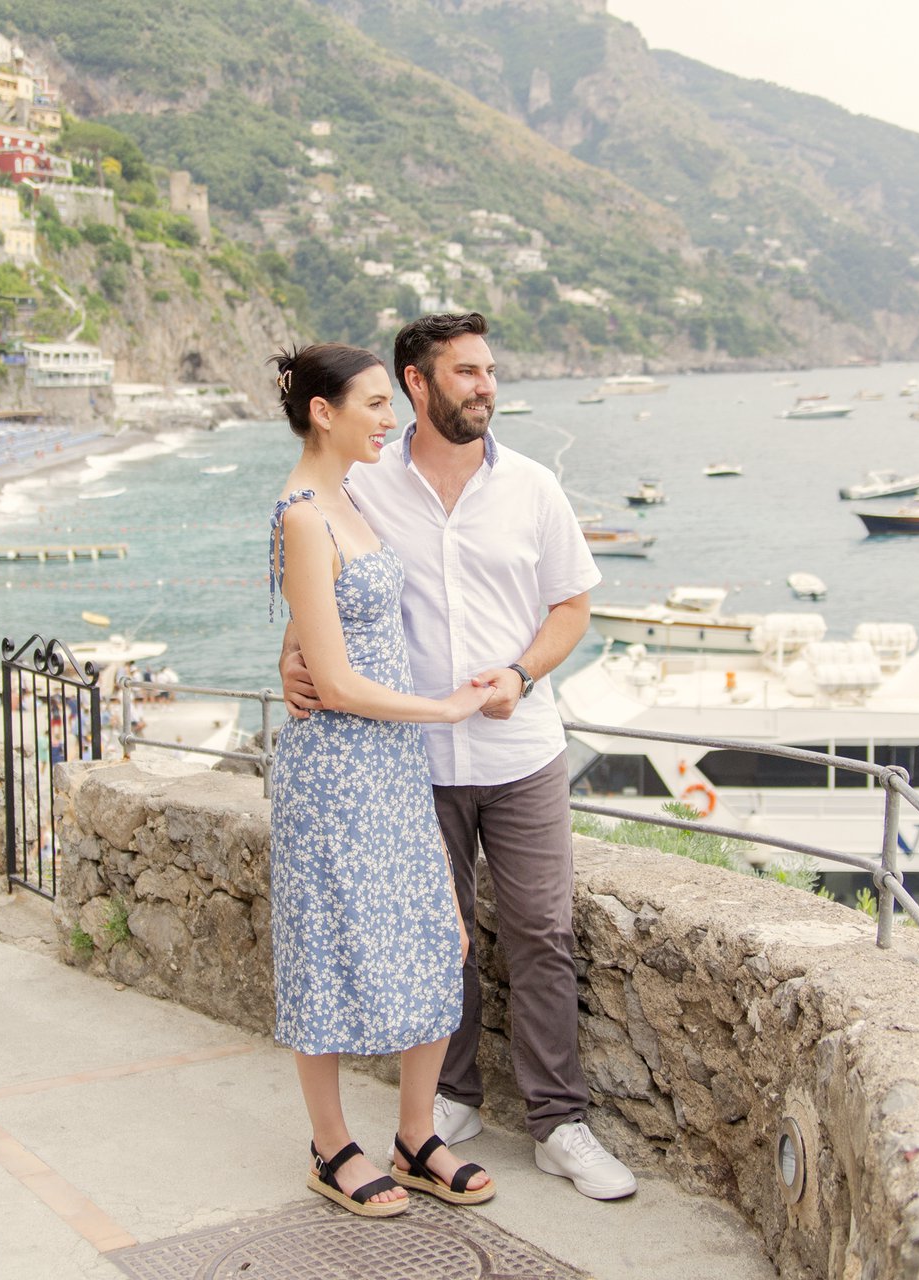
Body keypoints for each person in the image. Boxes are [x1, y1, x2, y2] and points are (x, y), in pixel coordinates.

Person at [283, 313, 635, 1200]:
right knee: (444, 943)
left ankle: (560, 1124)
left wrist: (520, 671)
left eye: (489, 371)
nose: (485, 385)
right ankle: (448, 1106)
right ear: (416, 383)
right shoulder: (365, 484)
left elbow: (573, 610)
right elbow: (320, 587)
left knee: (542, 933)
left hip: (520, 748)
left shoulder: (535, 487)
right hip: (409, 761)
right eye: (467, 371)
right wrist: (292, 657)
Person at [268, 341, 497, 1219]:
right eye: (373, 404)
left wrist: (286, 652)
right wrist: (442, 709)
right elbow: (333, 679)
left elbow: (307, 636)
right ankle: (331, 1147)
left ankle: (413, 1137)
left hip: (391, 766)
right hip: (335, 770)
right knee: (326, 948)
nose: (389, 418)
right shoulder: (301, 512)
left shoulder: (350, 498)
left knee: (444, 940)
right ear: (324, 412)